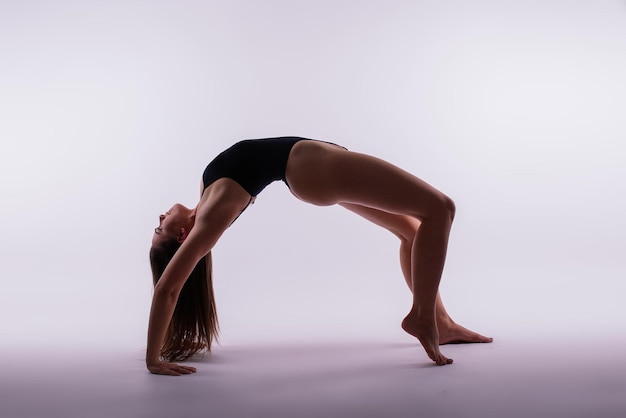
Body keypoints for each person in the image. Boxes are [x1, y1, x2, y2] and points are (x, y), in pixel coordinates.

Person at [148, 136, 492, 376]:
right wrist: (153, 361)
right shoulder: (209, 219)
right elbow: (168, 289)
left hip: (317, 168)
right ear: (181, 236)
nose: (160, 218)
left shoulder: (205, 200)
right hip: (313, 169)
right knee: (441, 208)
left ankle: (441, 322)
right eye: (159, 229)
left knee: (413, 232)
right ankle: (421, 317)